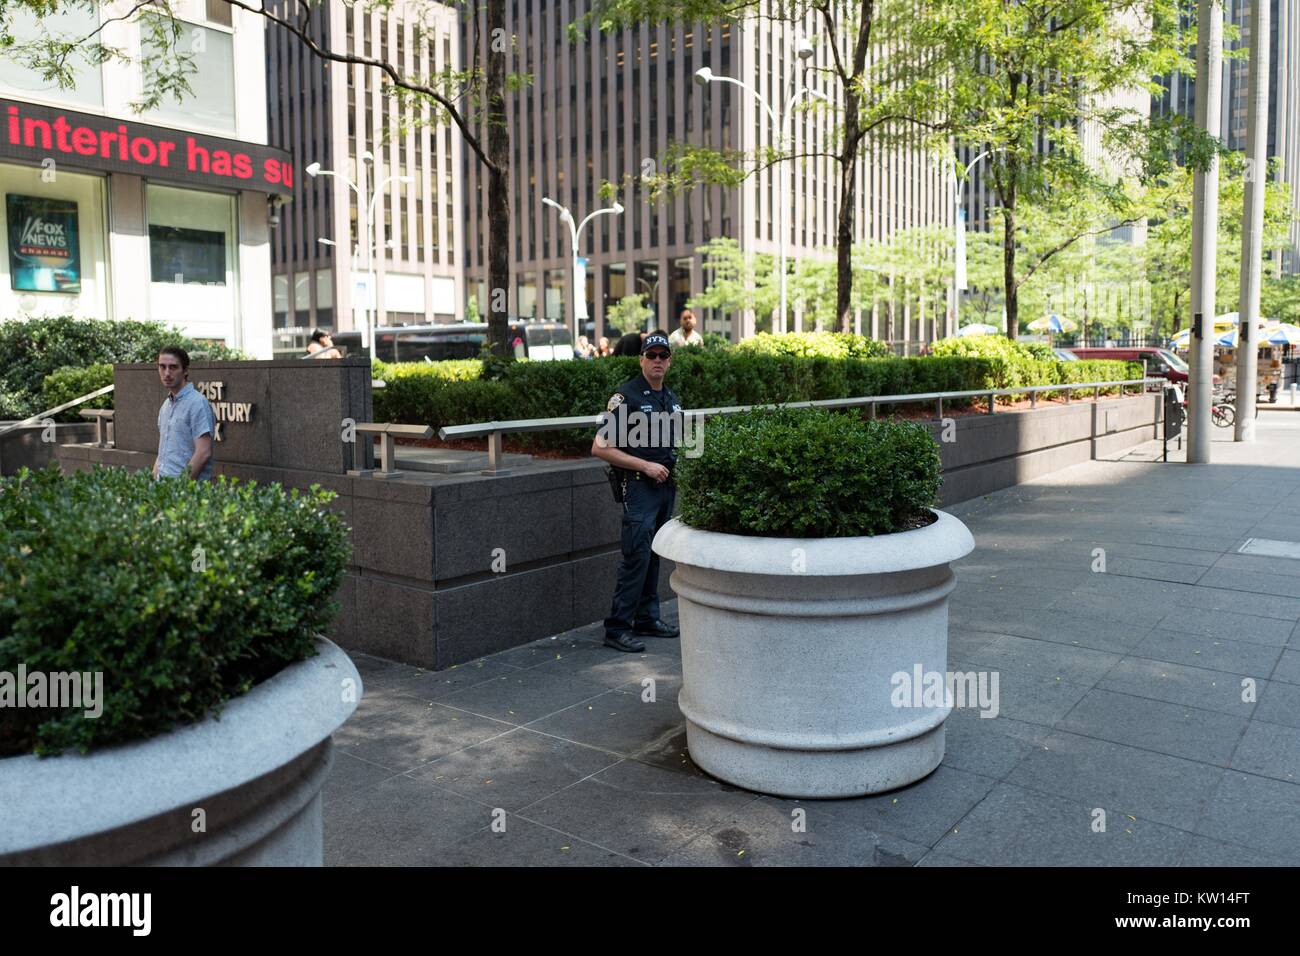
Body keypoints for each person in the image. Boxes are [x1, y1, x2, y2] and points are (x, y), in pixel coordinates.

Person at [591, 331, 683, 652]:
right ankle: (617, 628)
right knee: (636, 557)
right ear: (641, 359)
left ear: (669, 361)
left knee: (654, 554)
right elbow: (600, 447)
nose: (657, 361)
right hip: (639, 487)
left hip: (664, 489)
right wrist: (643, 466)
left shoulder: (671, 398)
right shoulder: (625, 397)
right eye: (652, 355)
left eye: (663, 356)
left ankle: (646, 618)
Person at [153, 346, 216, 482]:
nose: (167, 373)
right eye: (162, 367)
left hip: (186, 494)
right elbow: (163, 452)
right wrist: (153, 481)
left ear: (186, 370)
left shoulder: (197, 403)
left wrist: (179, 486)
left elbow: (203, 453)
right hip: (162, 490)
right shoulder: (166, 406)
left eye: (173, 367)